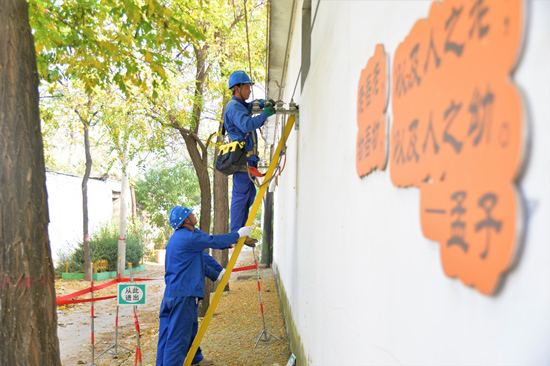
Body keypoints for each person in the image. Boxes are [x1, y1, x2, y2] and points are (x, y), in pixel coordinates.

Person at [156, 205, 253, 366]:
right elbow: (211, 241)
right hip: (183, 295)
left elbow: (200, 259)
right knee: (178, 336)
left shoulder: (182, 238)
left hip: (174, 295)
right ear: (186, 220)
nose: (194, 215)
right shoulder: (188, 238)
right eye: (191, 214)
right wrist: (237, 234)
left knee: (177, 331)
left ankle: (195, 358)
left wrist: (218, 273)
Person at [223, 70, 275, 232]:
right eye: (247, 87)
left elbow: (252, 106)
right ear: (237, 88)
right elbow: (246, 125)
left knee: (249, 195)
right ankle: (235, 233)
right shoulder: (234, 108)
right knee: (240, 197)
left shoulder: (241, 106)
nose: (249, 90)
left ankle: (241, 231)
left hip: (249, 160)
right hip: (242, 160)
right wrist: (264, 115)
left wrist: (263, 103)